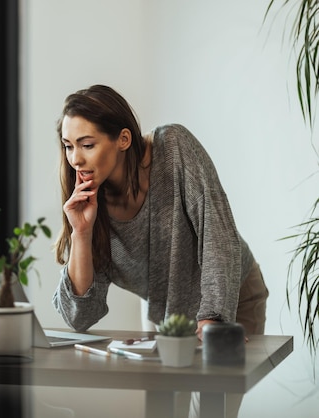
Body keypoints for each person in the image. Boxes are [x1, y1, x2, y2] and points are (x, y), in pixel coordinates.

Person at [51, 84, 269, 416]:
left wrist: (213, 319)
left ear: (123, 139)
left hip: (230, 298)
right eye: (68, 146)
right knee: (163, 412)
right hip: (168, 312)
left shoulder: (174, 147)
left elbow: (218, 234)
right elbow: (80, 317)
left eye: (87, 144)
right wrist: (81, 233)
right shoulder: (86, 202)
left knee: (212, 411)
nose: (75, 158)